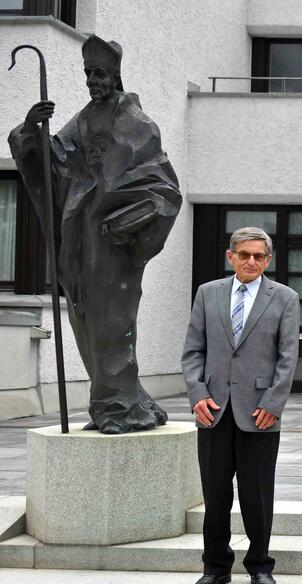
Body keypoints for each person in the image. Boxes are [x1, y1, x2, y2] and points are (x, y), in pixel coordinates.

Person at [9, 35, 181, 434]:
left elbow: (163, 186)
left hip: (116, 243)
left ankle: (118, 407)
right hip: (81, 238)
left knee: (113, 321)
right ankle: (122, 403)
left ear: (116, 76)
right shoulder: (84, 119)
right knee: (85, 318)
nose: (92, 81)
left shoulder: (138, 124)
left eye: (99, 74)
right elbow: (55, 164)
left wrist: (119, 208)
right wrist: (31, 129)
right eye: (88, 74)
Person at [181, 227, 299, 584]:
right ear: (230, 256)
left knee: (257, 494)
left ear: (268, 259)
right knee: (215, 494)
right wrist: (197, 394)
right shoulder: (207, 294)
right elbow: (193, 350)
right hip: (213, 410)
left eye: (259, 256)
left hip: (259, 412)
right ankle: (215, 566)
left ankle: (260, 564)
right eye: (244, 254)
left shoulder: (285, 298)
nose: (251, 261)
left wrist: (273, 403)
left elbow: (287, 356)